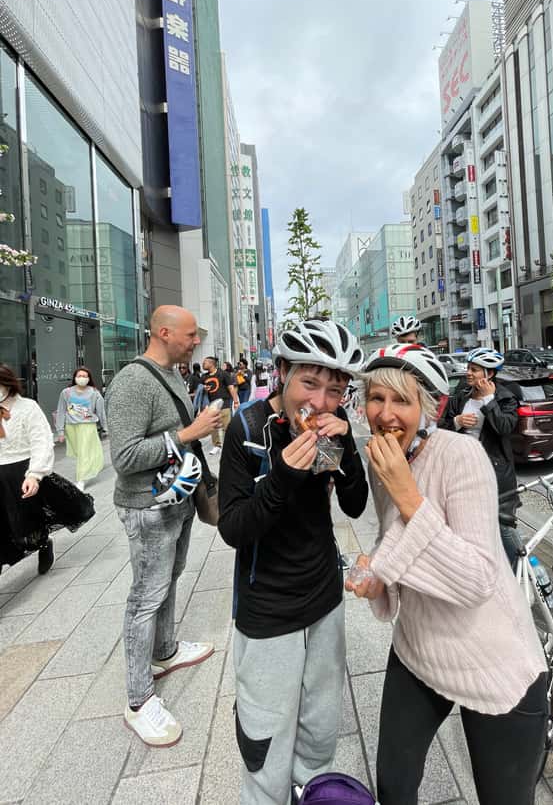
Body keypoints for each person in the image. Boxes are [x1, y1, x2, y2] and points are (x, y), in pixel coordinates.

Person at [347, 343, 547, 805]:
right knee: (394, 786)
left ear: (430, 408)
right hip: (418, 646)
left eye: (402, 400)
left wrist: (407, 494)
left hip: (493, 660)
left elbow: (477, 578)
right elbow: (395, 537)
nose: (386, 413)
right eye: (376, 397)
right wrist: (377, 573)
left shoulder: (462, 456)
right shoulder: (384, 459)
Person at [218, 319, 368, 802]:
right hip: (268, 608)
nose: (320, 402)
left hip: (325, 599)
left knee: (320, 729)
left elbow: (354, 505)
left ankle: (312, 791)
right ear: (282, 372)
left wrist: (345, 446)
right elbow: (234, 528)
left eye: (335, 391)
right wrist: (282, 476)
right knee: (265, 741)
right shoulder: (248, 430)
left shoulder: (324, 433)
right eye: (309, 383)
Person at [106, 306, 223, 748]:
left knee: (170, 579)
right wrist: (190, 432)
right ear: (164, 332)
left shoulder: (172, 373)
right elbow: (125, 457)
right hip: (148, 507)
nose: (196, 342)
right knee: (145, 598)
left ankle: (165, 650)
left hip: (178, 498)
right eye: (190, 335)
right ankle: (139, 701)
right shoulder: (132, 382)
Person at [438, 347, 521, 568]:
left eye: (474, 369)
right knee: (467, 524)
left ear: (489, 373)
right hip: (462, 471)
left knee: (503, 526)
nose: (468, 373)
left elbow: (505, 427)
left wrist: (488, 400)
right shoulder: (461, 395)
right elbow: (441, 427)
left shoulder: (505, 397)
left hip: (494, 473)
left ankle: (519, 571)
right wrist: (457, 422)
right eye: (468, 368)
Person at [0, 364, 56, 576]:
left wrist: (35, 474)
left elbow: (42, 441)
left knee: (27, 522)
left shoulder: (27, 407)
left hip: (22, 471)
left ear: (6, 384)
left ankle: (43, 543)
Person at [55, 366, 107, 491]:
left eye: (85, 376)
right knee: (79, 453)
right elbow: (61, 411)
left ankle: (81, 480)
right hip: (71, 427)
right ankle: (89, 467)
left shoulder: (94, 393)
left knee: (84, 452)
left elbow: (101, 411)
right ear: (75, 378)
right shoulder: (66, 392)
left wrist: (105, 426)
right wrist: (60, 431)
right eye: (79, 376)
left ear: (89, 378)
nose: (82, 378)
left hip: (87, 426)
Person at [201, 356, 239, 455]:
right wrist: (204, 388)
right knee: (213, 426)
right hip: (211, 405)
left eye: (205, 362)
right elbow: (200, 391)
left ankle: (228, 445)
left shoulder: (223, 374)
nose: (203, 364)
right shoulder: (204, 377)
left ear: (211, 364)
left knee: (226, 426)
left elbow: (231, 388)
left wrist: (236, 402)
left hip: (224, 403)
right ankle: (217, 445)